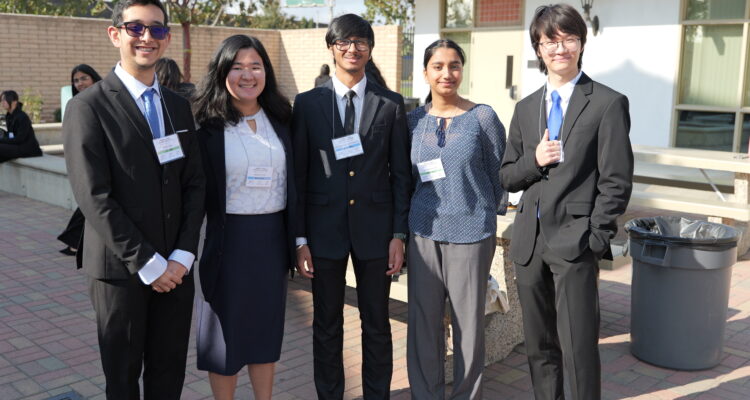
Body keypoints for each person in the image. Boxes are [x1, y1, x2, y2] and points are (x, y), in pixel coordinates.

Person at [62, 0, 205, 398]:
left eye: (157, 29)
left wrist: (182, 256)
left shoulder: (178, 107)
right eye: (136, 28)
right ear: (115, 34)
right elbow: (95, 197)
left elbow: (195, 184)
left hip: (176, 272)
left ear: (167, 38)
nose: (147, 37)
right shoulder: (87, 107)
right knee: (123, 381)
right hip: (120, 272)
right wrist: (148, 262)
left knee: (168, 374)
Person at [499, 4, 633, 399]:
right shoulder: (525, 108)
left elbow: (616, 180)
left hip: (575, 243)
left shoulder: (607, 103)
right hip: (528, 243)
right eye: (550, 41)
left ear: (581, 43)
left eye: (568, 39)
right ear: (538, 49)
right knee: (539, 348)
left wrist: (595, 236)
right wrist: (534, 161)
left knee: (577, 348)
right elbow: (507, 176)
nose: (560, 48)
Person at [292, 13, 412, 400]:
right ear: (332, 47)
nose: (352, 48)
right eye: (344, 42)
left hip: (376, 232)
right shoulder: (308, 103)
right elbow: (298, 175)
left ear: (370, 49)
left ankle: (377, 394)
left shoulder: (390, 104)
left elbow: (400, 176)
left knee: (376, 322)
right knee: (326, 324)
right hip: (322, 230)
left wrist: (398, 234)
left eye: (360, 41)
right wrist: (299, 238)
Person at [192, 34, 296, 400]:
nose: (247, 75)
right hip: (228, 243)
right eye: (237, 67)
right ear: (222, 72)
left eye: (255, 66)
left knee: (265, 334)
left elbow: (295, 188)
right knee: (224, 337)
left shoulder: (283, 119)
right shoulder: (205, 126)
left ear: (266, 71)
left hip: (271, 242)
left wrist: (298, 240)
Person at [406, 39, 507, 400]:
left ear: (461, 71)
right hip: (422, 233)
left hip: (471, 231)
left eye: (453, 66)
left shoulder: (483, 117)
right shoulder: (413, 121)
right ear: (425, 72)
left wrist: (482, 214)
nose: (446, 73)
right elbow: (406, 177)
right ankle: (426, 394)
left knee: (469, 327)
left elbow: (500, 178)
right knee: (424, 325)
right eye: (437, 66)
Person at [57, 64, 103, 256]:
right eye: (76, 80)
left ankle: (75, 241)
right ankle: (75, 241)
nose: (80, 83)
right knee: (89, 202)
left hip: (106, 159)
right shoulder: (76, 103)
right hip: (87, 158)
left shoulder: (107, 97)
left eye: (84, 78)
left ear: (93, 77)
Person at [0, 90, 42, 163]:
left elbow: (19, 139)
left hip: (27, 148)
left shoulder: (22, 117)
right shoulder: (7, 116)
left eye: (5, 100)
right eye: (2, 100)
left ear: (14, 102)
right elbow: (4, 135)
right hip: (15, 146)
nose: (2, 102)